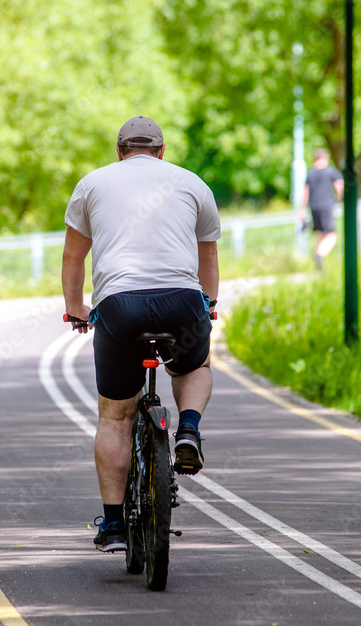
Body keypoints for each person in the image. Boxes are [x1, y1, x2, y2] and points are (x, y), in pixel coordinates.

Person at [62, 116, 220, 553]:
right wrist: (208, 305)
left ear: (119, 152)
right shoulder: (192, 183)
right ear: (161, 152)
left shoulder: (92, 184)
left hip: (119, 305)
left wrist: (76, 308)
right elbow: (208, 254)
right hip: (181, 302)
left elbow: (74, 256)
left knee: (115, 416)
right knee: (196, 364)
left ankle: (113, 525)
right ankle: (187, 430)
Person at [297, 148, 344, 271]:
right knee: (331, 235)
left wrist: (301, 210)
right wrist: (337, 199)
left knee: (319, 235)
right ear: (326, 159)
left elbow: (305, 193)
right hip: (326, 206)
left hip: (313, 207)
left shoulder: (310, 173)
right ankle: (319, 255)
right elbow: (339, 187)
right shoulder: (331, 172)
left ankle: (319, 268)